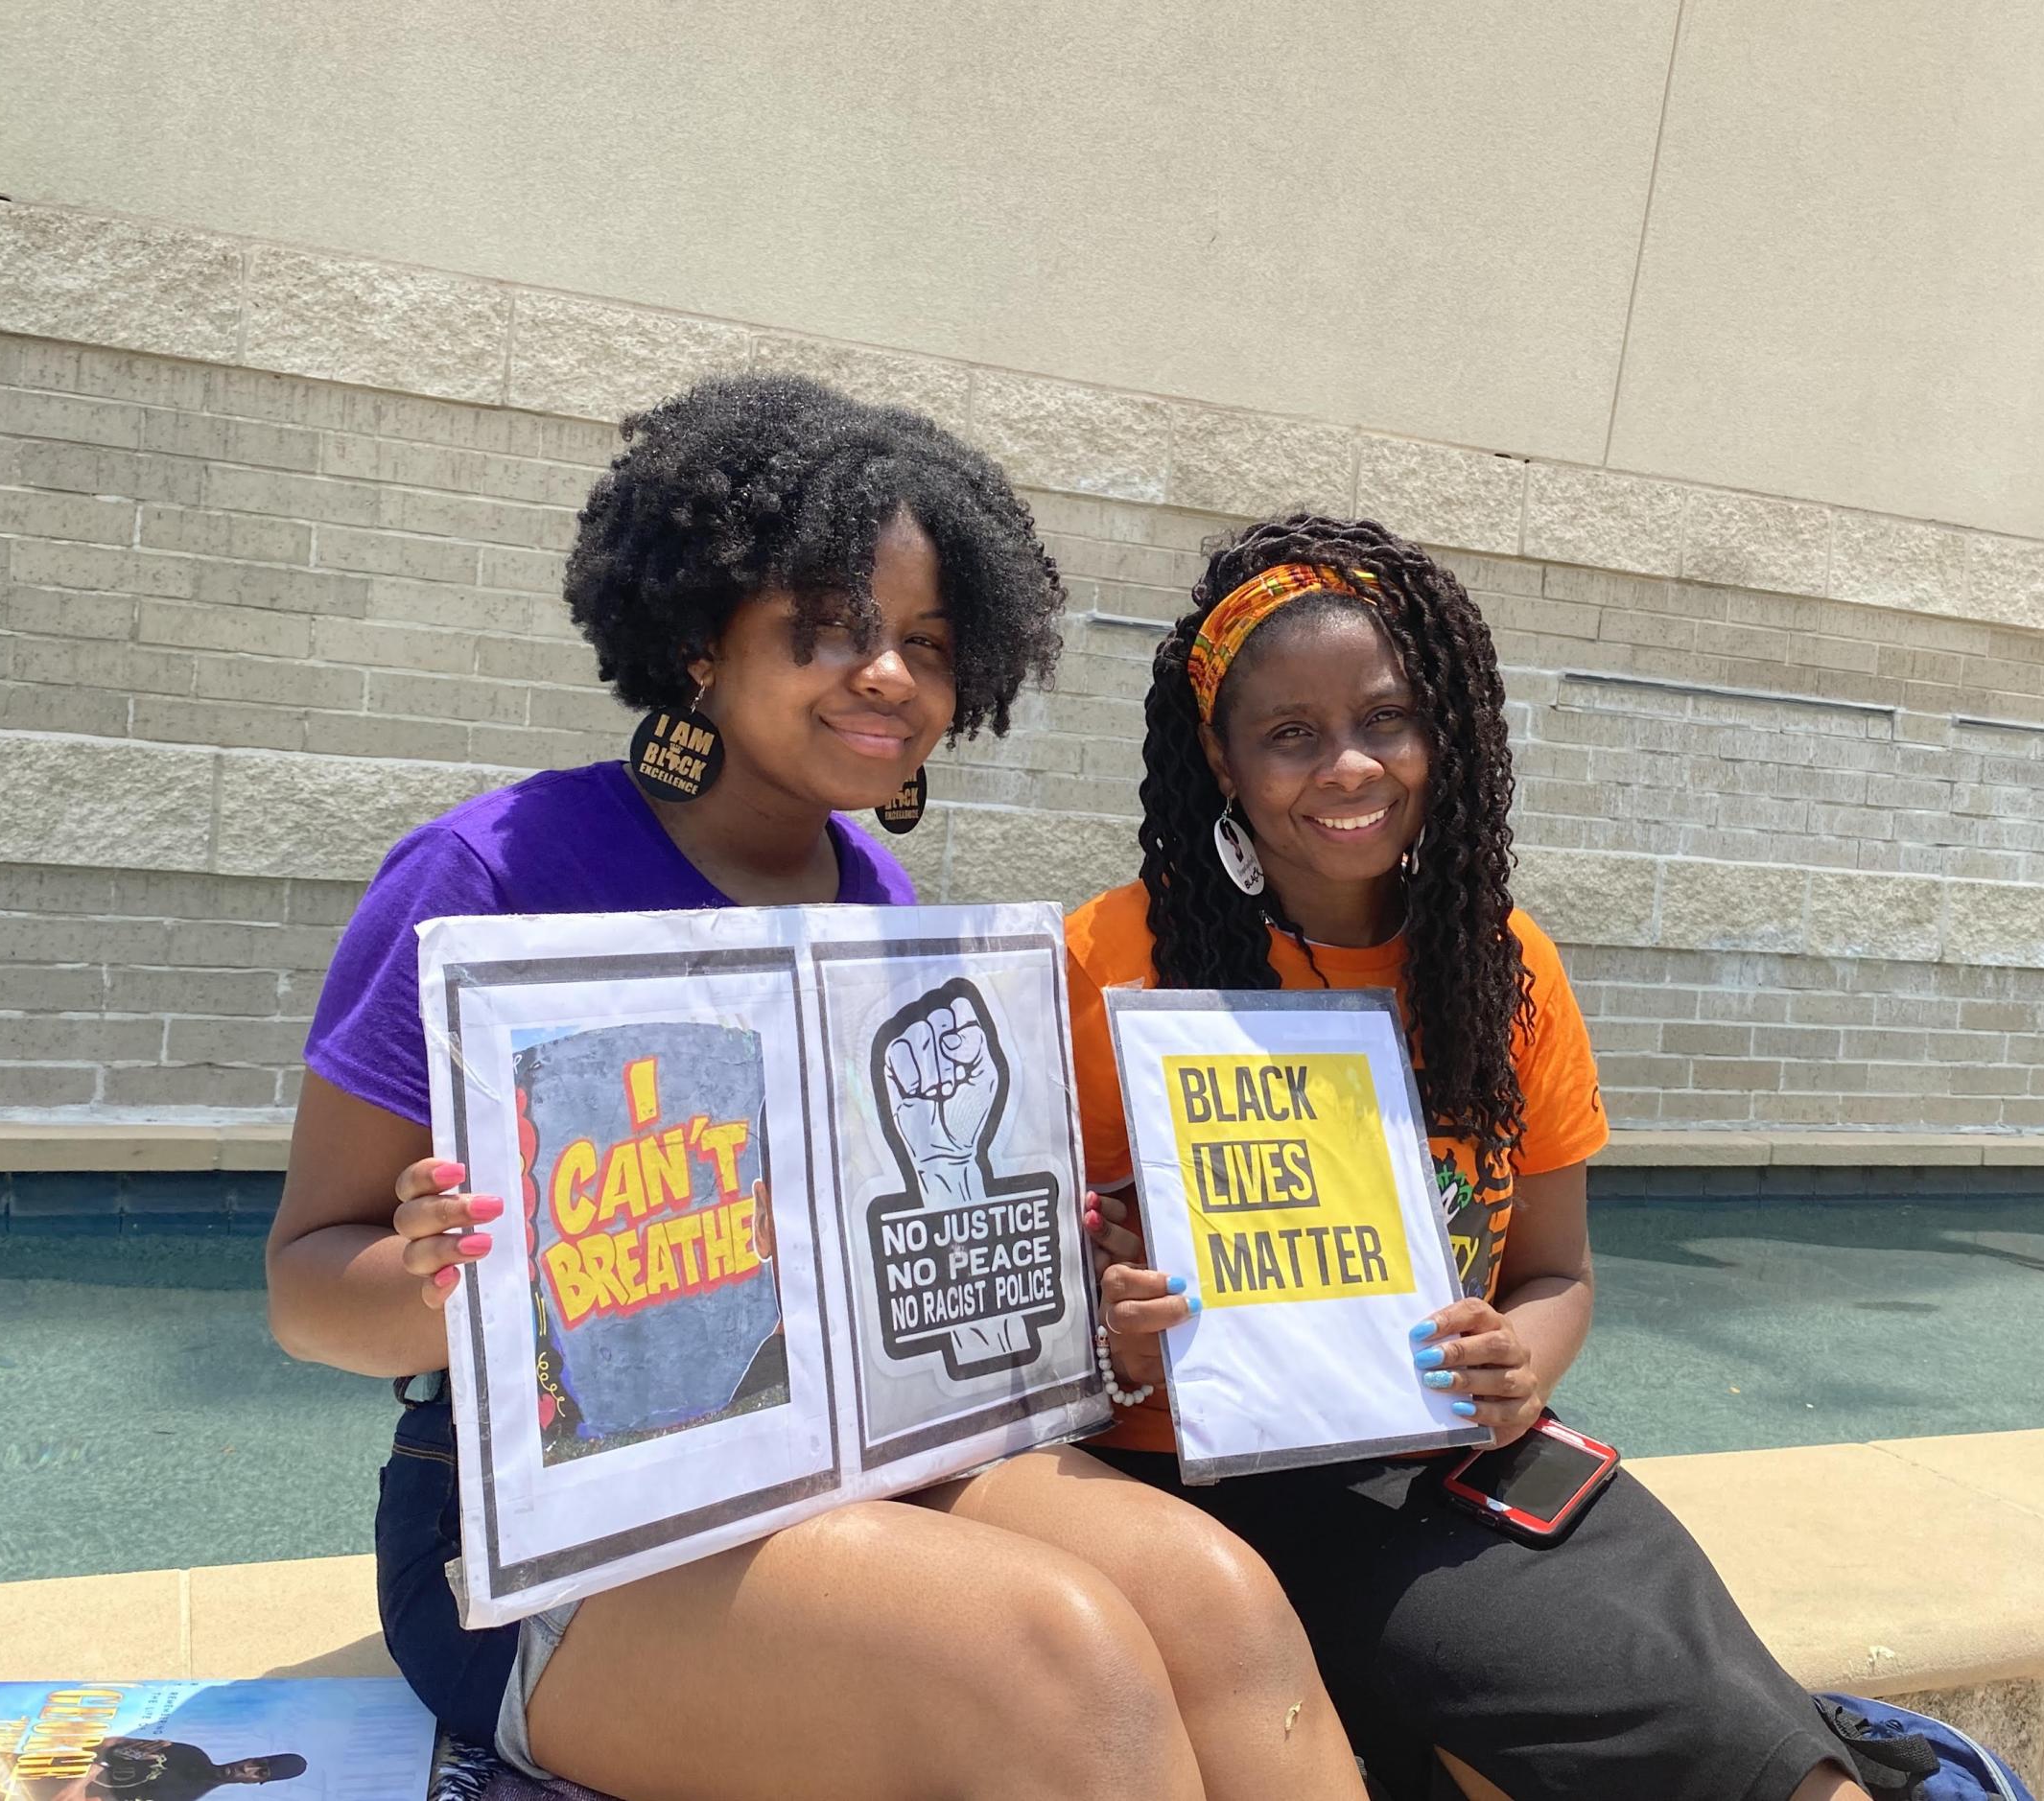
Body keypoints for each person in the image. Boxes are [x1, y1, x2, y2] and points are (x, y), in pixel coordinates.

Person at [266, 377, 1366, 1801]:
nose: (890, 676)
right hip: (543, 1534)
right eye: (833, 628)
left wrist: (1044, 1280)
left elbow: (853, 1271)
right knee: (1059, 1655)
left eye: (925, 640)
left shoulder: (879, 899)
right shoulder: (490, 878)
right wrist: (461, 1275)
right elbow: (304, 1287)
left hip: (845, 1458)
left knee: (1220, 1598)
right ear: (698, 639)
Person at [1067, 515, 1871, 1801]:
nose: (1348, 766)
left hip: (1462, 1453)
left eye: (1387, 718)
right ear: (1220, 757)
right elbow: (1016, 1320)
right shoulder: (1108, 965)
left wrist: (1517, 1368)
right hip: (1198, 1482)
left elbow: (1556, 1272)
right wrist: (1113, 1335)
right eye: (1290, 733)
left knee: (1752, 1725)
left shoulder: (1506, 966)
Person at [82, 1743, 306, 1799]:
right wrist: (131, 1751)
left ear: (254, 1782)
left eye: (259, 1772)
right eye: (256, 1761)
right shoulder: (190, 1753)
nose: (246, 1768)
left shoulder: (185, 1796)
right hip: (64, 1763)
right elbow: (111, 1743)